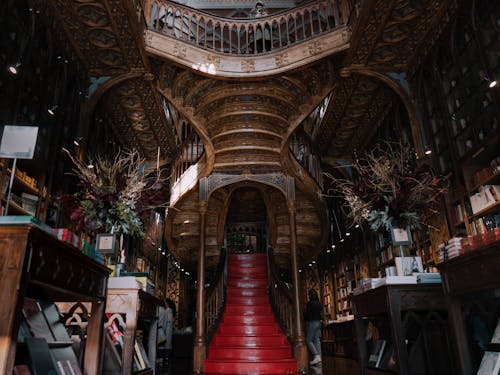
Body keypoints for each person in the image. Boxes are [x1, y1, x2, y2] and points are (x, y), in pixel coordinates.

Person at [304, 289, 323, 366]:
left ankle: (316, 355)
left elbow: (307, 315)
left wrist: (304, 317)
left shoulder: (309, 303)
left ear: (310, 295)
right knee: (317, 340)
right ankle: (319, 360)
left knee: (308, 340)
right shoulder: (319, 303)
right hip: (319, 322)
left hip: (312, 322)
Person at [157, 298, 176, 368]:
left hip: (165, 330)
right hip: (166, 330)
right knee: (165, 345)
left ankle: (163, 361)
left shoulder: (168, 311)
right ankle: (165, 361)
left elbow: (167, 321)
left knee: (162, 345)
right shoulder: (167, 311)